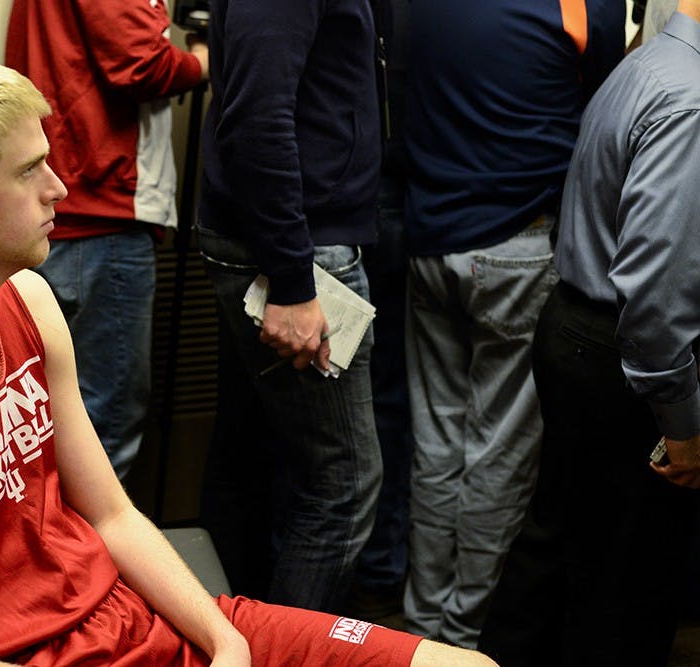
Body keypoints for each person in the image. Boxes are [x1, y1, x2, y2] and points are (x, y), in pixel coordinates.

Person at [0, 49, 498, 667]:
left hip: (138, 620)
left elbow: (113, 515)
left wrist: (225, 640)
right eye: (31, 170)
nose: (60, 188)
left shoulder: (27, 301)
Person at [478, 4, 700, 665]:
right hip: (623, 357)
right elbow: (657, 295)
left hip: (578, 328)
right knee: (624, 590)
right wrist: (684, 425)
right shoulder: (691, 98)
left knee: (558, 554)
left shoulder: (648, 64)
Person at [399, 0, 625, 647]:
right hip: (515, 246)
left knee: (437, 445)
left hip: (430, 241)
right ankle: (464, 638)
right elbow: (605, 112)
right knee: (499, 453)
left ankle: (422, 630)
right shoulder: (583, 5)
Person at [196, 0, 385, 613]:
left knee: (257, 462)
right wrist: (293, 283)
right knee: (344, 487)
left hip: (292, 244)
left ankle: (243, 642)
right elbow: (256, 121)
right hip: (293, 253)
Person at [3, 0, 208, 479]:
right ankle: (81, 555)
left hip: (69, 204)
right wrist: (201, 62)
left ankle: (54, 548)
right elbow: (140, 64)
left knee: (52, 425)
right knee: (103, 428)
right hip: (100, 208)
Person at [348, 0, 415, 621]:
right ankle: (376, 574)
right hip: (386, 192)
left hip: (365, 194)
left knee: (375, 400)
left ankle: (373, 575)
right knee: (386, 400)